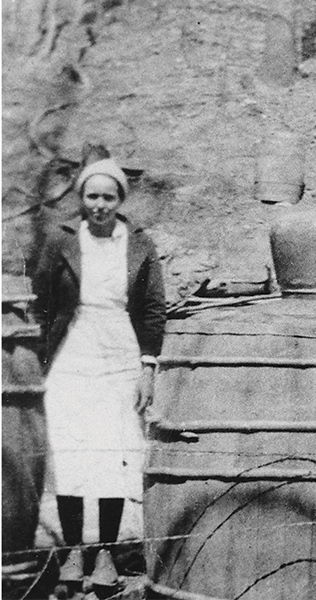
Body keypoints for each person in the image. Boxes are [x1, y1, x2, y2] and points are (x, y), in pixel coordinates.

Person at [32, 158, 166, 589]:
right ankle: (73, 550)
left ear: (120, 200)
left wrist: (147, 368)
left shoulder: (140, 244)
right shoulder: (61, 241)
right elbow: (43, 301)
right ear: (82, 198)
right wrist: (42, 359)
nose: (100, 205)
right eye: (93, 196)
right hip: (72, 353)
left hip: (120, 353)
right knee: (72, 451)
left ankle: (105, 552)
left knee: (111, 452)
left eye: (109, 197)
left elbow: (152, 310)